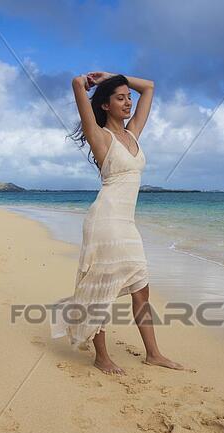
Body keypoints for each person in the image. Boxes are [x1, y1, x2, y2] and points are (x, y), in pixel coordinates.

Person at [50, 71, 184, 375]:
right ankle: (101, 357)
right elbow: (79, 92)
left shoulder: (133, 132)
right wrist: (80, 84)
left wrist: (113, 77)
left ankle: (153, 353)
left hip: (126, 223)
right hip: (105, 221)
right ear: (106, 106)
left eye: (128, 97)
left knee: (142, 289)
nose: (128, 102)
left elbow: (149, 86)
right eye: (120, 98)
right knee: (102, 291)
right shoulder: (100, 136)